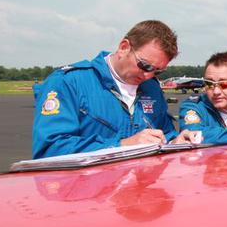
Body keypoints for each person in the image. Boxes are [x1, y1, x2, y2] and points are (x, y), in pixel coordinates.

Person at [31, 20, 193, 159]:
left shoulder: (152, 87)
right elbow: (50, 148)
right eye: (145, 65)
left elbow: (164, 133)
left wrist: (175, 141)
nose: (148, 75)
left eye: (157, 71)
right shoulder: (68, 82)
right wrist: (122, 145)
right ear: (124, 47)